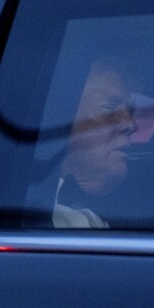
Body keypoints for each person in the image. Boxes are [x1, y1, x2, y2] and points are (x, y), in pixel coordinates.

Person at [53, 56, 138, 228]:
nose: (131, 124)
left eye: (130, 111)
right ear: (63, 118)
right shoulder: (31, 216)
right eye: (110, 107)